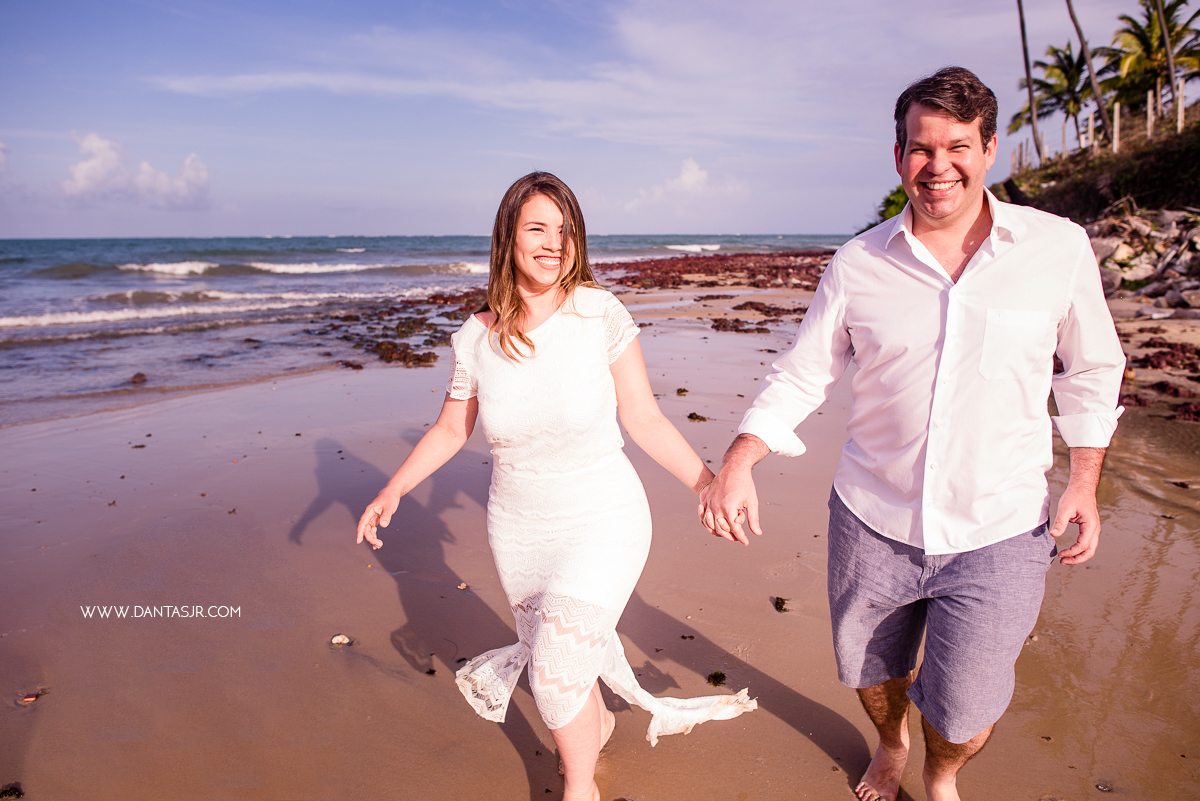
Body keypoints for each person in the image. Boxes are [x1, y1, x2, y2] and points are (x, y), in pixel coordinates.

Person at [698, 67, 1125, 801]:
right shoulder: (858, 262)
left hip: (1001, 527)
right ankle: (892, 743)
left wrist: (1084, 479)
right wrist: (740, 457)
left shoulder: (1056, 248)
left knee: (965, 709)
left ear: (989, 150)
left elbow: (1091, 368)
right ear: (899, 156)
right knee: (872, 673)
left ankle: (942, 771)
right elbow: (804, 372)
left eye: (957, 147)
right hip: (872, 516)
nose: (938, 165)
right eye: (921, 148)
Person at [357, 172, 756, 801]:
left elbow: (644, 418)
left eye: (565, 230)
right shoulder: (476, 337)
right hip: (518, 529)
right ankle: (594, 725)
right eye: (537, 228)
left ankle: (579, 787)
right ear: (508, 237)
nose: (553, 243)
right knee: (559, 663)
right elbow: (452, 427)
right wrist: (394, 490)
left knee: (551, 670)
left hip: (603, 515)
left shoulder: (599, 313)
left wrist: (708, 485)